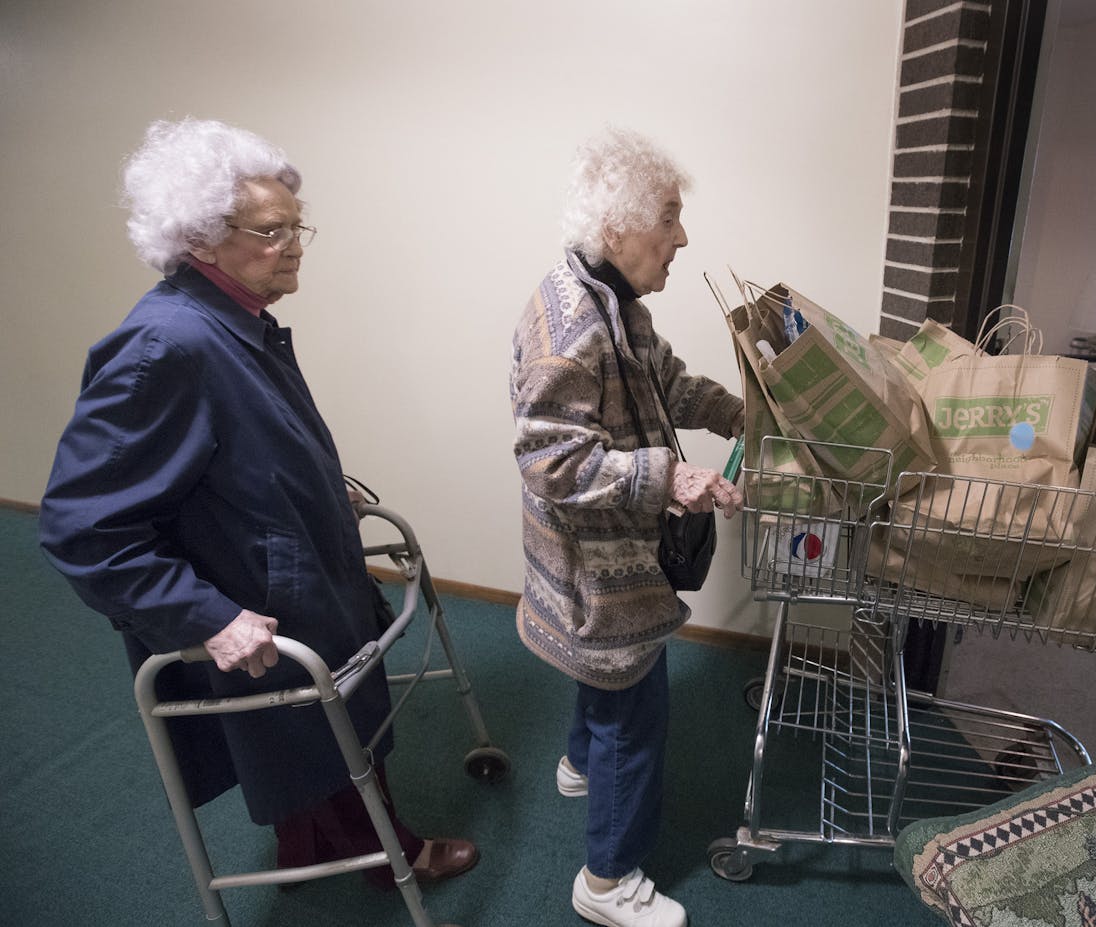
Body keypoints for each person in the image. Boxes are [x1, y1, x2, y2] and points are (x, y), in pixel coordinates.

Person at [38, 118, 477, 892]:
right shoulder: (164, 347)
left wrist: (313, 487)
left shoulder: (234, 320)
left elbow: (234, 451)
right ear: (202, 240)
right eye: (275, 231)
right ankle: (389, 856)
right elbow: (83, 525)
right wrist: (206, 617)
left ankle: (312, 848)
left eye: (296, 224)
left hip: (286, 565)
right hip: (257, 601)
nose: (296, 243)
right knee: (322, 732)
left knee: (314, 730)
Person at [509, 127, 744, 927]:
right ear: (617, 227)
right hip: (596, 566)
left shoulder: (614, 300)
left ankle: (579, 760)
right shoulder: (577, 321)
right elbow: (551, 462)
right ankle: (607, 881)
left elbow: (666, 383)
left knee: (602, 686)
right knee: (635, 709)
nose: (682, 237)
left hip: (598, 556)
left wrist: (743, 413)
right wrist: (669, 476)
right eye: (669, 218)